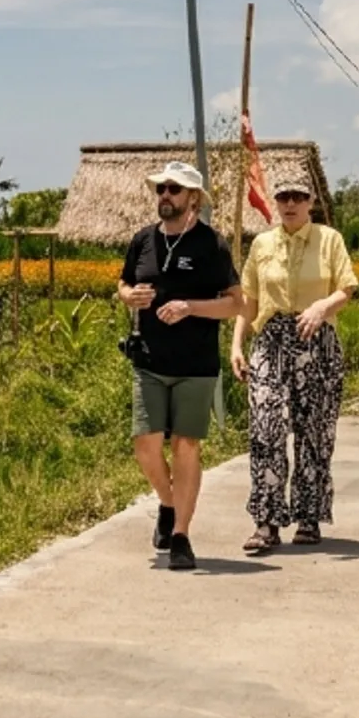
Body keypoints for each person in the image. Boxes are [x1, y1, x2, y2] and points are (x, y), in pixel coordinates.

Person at [116, 160, 243, 572]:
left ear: (193, 198)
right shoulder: (142, 241)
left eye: (173, 189)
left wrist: (191, 307)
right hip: (149, 360)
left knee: (186, 445)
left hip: (196, 364)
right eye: (161, 189)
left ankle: (182, 535)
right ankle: (168, 504)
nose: (165, 196)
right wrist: (128, 296)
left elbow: (236, 303)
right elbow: (123, 283)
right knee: (145, 445)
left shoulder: (212, 244)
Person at [231, 180, 358, 554]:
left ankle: (309, 516)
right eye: (284, 197)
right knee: (266, 428)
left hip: (316, 338)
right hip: (271, 340)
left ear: (311, 201)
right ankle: (266, 522)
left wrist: (322, 307)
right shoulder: (262, 244)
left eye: (298, 197)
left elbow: (347, 287)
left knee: (313, 432)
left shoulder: (329, 239)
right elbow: (250, 299)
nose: (290, 204)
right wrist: (238, 343)